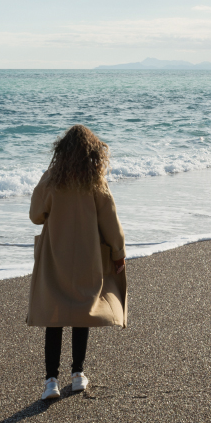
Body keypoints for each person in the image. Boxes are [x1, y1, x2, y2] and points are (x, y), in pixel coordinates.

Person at [26, 124, 128, 400]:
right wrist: (118, 253)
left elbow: (36, 214)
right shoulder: (95, 180)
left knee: (54, 317)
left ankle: (51, 382)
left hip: (55, 257)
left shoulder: (51, 179)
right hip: (86, 256)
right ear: (92, 152)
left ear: (62, 150)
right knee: (82, 311)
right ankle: (78, 374)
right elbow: (110, 220)